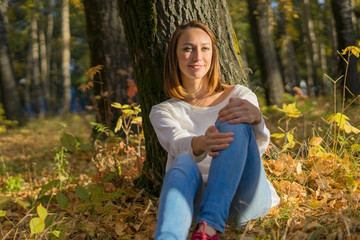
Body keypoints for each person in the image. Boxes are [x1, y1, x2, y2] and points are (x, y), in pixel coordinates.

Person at [149, 21, 280, 240]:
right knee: (181, 161)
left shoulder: (239, 94)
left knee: (232, 117)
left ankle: (209, 227)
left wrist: (257, 119)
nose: (197, 56)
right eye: (188, 48)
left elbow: (258, 148)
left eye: (205, 48)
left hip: (245, 197)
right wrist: (201, 142)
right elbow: (176, 142)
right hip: (198, 200)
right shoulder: (163, 111)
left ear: (213, 54)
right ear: (175, 55)